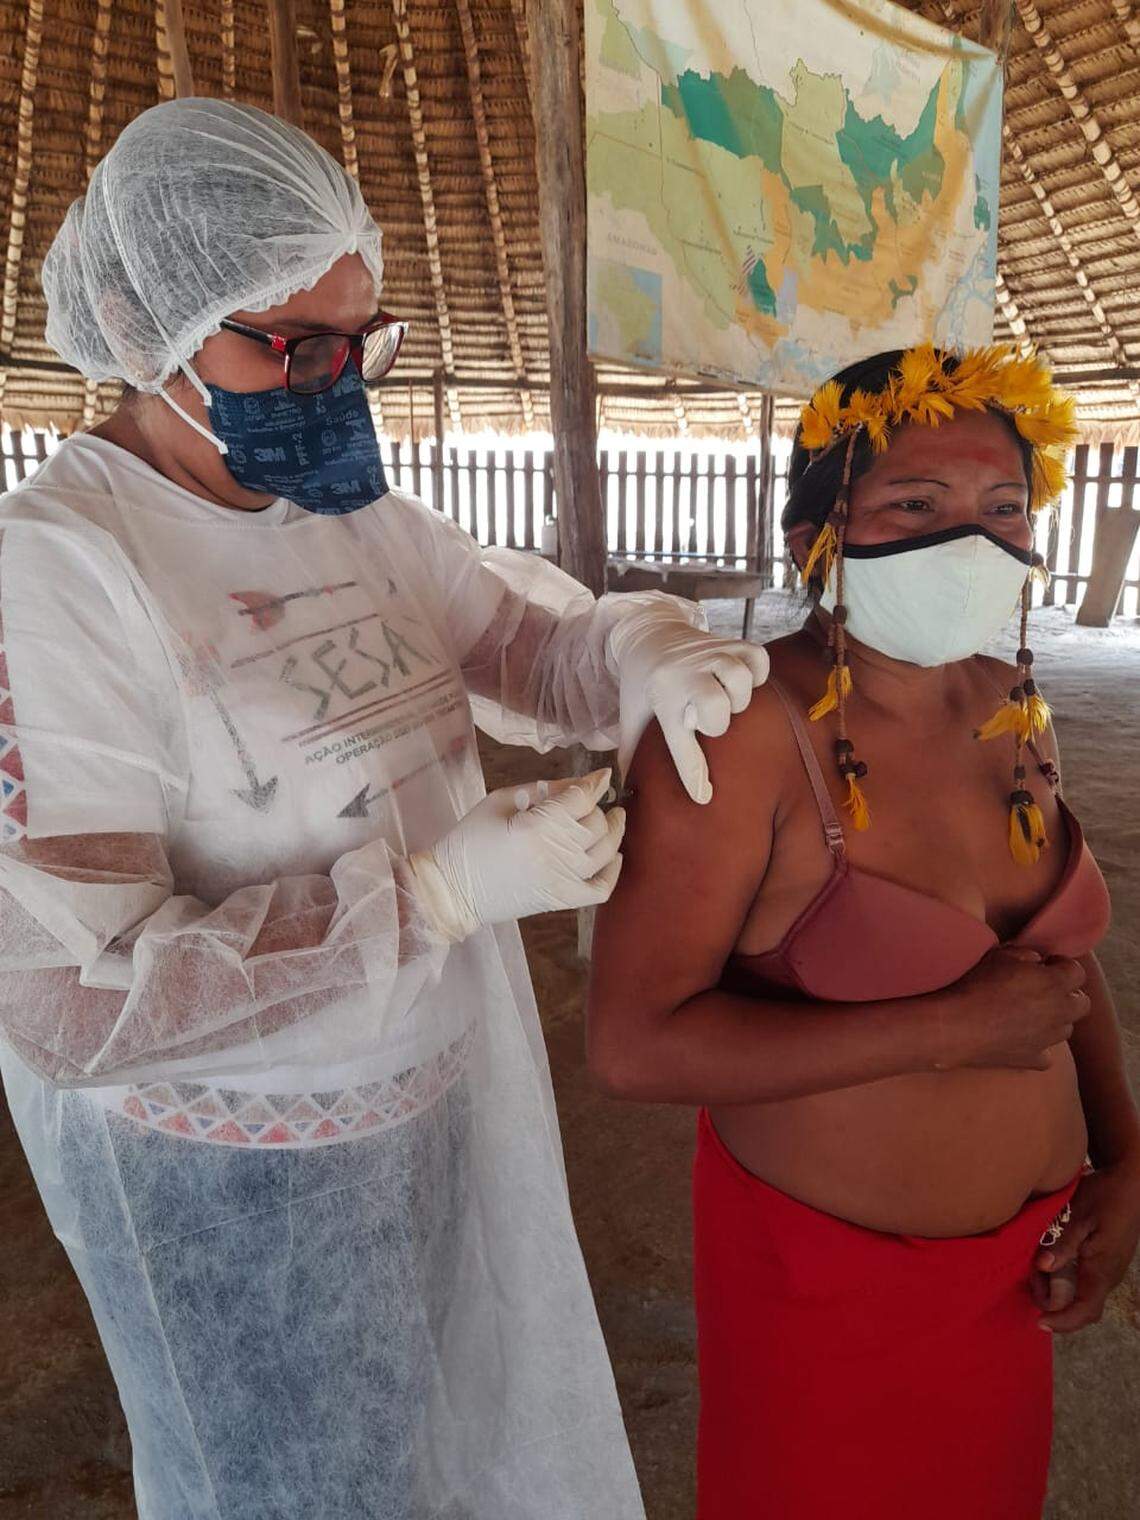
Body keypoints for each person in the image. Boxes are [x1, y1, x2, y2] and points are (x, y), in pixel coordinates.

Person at [0, 98, 770, 1520]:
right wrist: (430, 896)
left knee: (425, 1455)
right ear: (131, 317)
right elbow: (71, 1003)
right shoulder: (61, 571)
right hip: (234, 1174)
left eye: (352, 344)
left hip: (425, 1101)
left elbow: (525, 650)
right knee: (293, 1489)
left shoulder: (344, 511)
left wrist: (642, 655)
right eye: (282, 348)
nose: (325, 385)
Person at [588, 345, 1140, 1520]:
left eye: (1003, 509)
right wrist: (944, 1028)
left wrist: (1124, 1159)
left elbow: (1062, 962)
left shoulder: (1010, 701)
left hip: (1011, 1283)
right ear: (814, 539)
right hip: (825, 1296)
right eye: (917, 505)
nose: (973, 542)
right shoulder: (742, 736)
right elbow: (634, 1044)